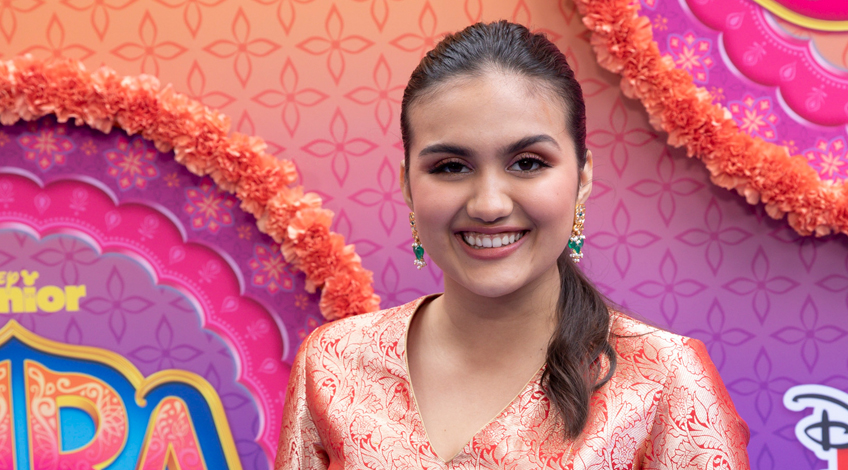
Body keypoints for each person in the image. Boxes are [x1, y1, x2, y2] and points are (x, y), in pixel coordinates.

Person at [275, 20, 750, 469]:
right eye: (451, 167)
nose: (488, 204)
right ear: (407, 185)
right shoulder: (334, 362)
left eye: (527, 163)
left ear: (582, 176)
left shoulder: (664, 380)